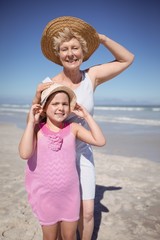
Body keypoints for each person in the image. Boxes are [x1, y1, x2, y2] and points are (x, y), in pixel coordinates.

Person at [32, 16, 134, 239]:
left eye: (75, 47)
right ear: (58, 55)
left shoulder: (92, 76)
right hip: (57, 154)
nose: (70, 53)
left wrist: (101, 38)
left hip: (83, 151)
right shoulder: (49, 82)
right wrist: (37, 95)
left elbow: (127, 59)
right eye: (65, 49)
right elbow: (37, 120)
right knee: (64, 213)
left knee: (87, 211)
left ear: (83, 52)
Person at [19, 83, 106, 240]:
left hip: (70, 195)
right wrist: (31, 122)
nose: (61, 108)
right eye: (55, 103)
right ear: (44, 107)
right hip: (45, 196)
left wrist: (86, 116)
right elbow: (25, 153)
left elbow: (99, 141)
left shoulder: (73, 128)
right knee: (50, 237)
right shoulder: (37, 129)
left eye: (65, 104)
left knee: (69, 236)